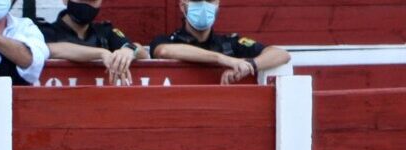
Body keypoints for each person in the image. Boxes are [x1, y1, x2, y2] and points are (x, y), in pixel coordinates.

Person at [151, 0, 291, 85]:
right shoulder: (168, 41)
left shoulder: (229, 43)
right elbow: (163, 51)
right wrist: (225, 60)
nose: (204, 5)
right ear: (182, 6)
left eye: (210, 0)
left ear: (217, 5)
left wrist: (249, 66)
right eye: (197, 0)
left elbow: (281, 54)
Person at [39, 0, 149, 86]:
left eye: (93, 1)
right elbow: (52, 49)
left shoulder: (105, 32)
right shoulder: (45, 32)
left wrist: (129, 50)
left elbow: (143, 53)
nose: (87, 5)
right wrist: (102, 53)